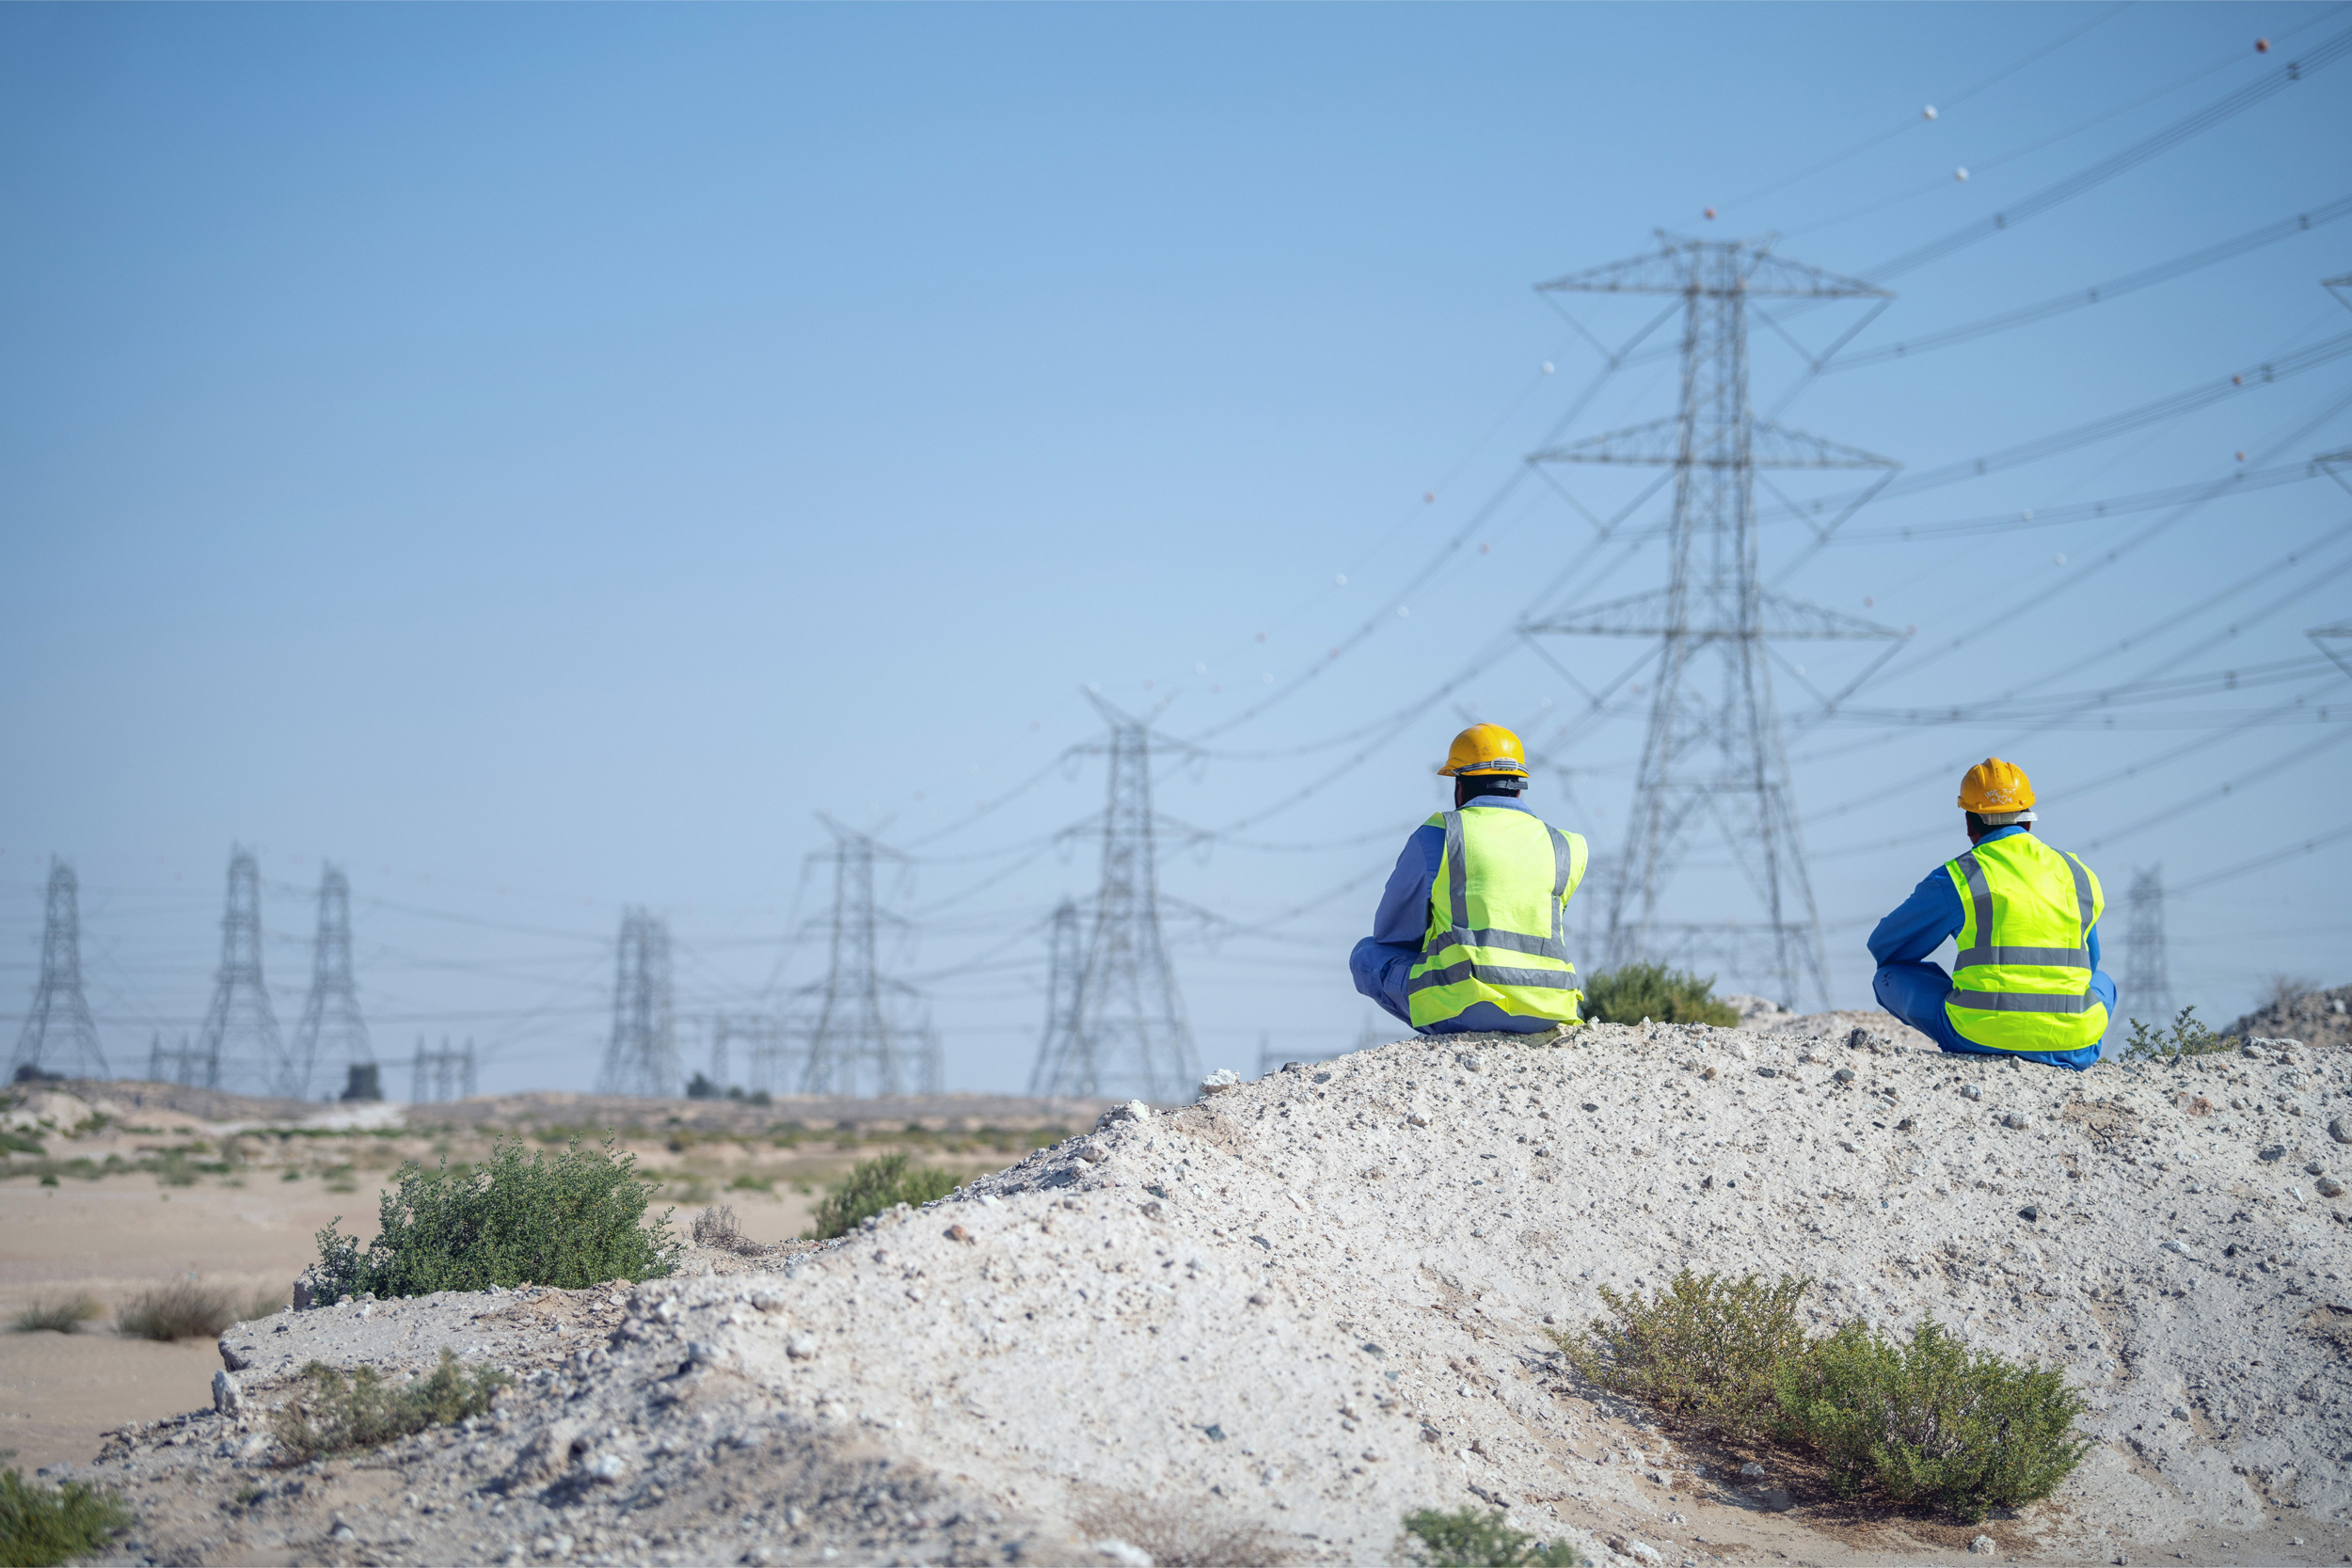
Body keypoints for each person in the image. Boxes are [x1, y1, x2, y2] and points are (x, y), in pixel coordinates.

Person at [1868, 757, 2114, 1071]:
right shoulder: (2077, 873)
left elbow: (1885, 947)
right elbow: (2090, 964)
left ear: (1969, 824)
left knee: (1888, 976)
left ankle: (1984, 1026)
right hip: (2074, 1043)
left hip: (1978, 1036)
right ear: (2028, 822)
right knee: (2103, 981)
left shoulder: (1959, 876)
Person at [1349, 723, 1589, 1036]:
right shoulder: (1566, 846)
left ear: (1459, 787)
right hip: (1547, 1010)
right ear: (1519, 789)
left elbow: (1391, 933)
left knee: (1367, 954)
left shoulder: (1440, 834)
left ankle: (1441, 1032)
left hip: (1467, 1008)